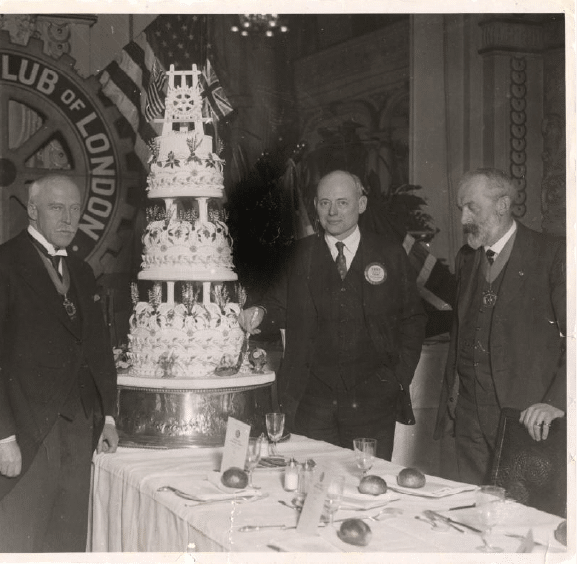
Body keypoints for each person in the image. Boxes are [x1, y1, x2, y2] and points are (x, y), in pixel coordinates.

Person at [0, 174, 119, 552]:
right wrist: (0, 438)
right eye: (56, 208)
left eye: (75, 209)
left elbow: (98, 347)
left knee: (68, 547)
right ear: (32, 210)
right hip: (24, 436)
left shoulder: (82, 271)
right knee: (19, 548)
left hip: (80, 432)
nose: (68, 218)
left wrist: (108, 416)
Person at [239, 170, 426, 461]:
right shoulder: (297, 255)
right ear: (315, 206)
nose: (333, 212)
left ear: (361, 204)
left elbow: (413, 319)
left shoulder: (389, 254)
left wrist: (397, 378)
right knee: (311, 476)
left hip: (373, 401)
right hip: (311, 402)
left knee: (367, 479)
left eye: (342, 202)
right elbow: (277, 305)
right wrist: (260, 311)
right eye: (325, 203)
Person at [433, 168, 566, 485]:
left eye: (472, 208)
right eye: (461, 209)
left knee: (520, 506)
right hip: (468, 416)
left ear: (503, 205)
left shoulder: (552, 254)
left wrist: (555, 403)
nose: (463, 218)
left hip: (524, 417)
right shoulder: (467, 257)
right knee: (472, 502)